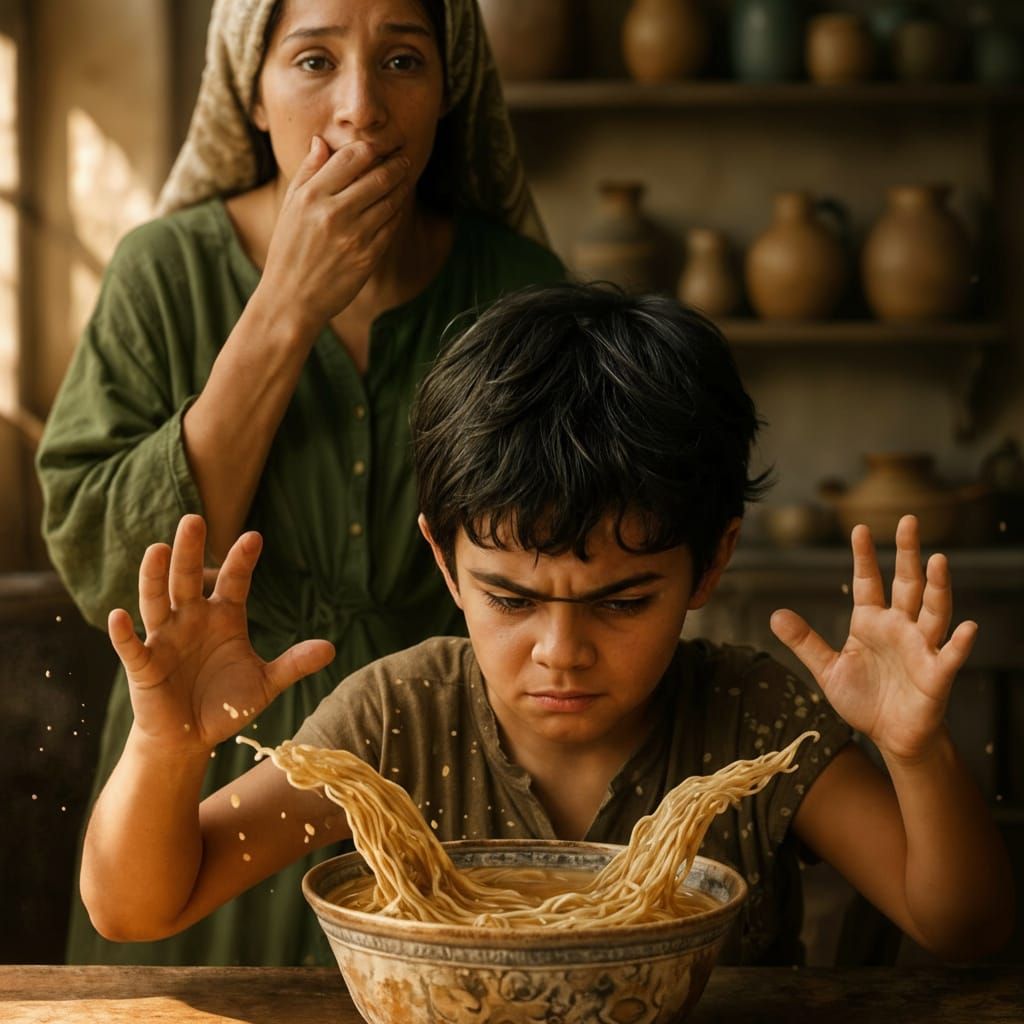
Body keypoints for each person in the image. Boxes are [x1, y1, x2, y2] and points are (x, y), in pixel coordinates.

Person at [79, 284, 1014, 967]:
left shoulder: (751, 719)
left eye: (621, 602)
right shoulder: (396, 720)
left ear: (712, 562)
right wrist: (166, 746)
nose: (559, 653)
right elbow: (137, 907)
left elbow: (964, 928)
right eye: (512, 600)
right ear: (445, 563)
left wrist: (916, 752)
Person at [36, 0, 564, 966]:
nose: (360, 109)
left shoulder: (517, 290)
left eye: (403, 60)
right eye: (314, 59)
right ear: (250, 90)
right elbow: (109, 572)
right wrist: (284, 306)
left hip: (446, 780)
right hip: (192, 776)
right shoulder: (163, 275)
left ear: (452, 93)